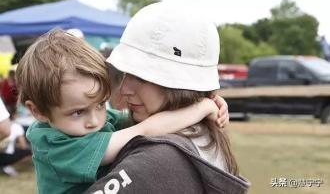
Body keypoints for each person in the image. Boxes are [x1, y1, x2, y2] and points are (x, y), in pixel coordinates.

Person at [15, 29, 228, 193]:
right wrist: (201, 107)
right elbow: (146, 129)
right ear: (39, 111)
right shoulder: (57, 146)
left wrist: (205, 99)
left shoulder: (81, 122)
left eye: (100, 104)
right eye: (78, 112)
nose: (95, 121)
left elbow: (135, 121)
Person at [86, 2, 250, 194]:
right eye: (126, 74)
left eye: (141, 77)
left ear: (178, 85)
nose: (124, 89)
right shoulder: (202, 136)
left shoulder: (154, 161)